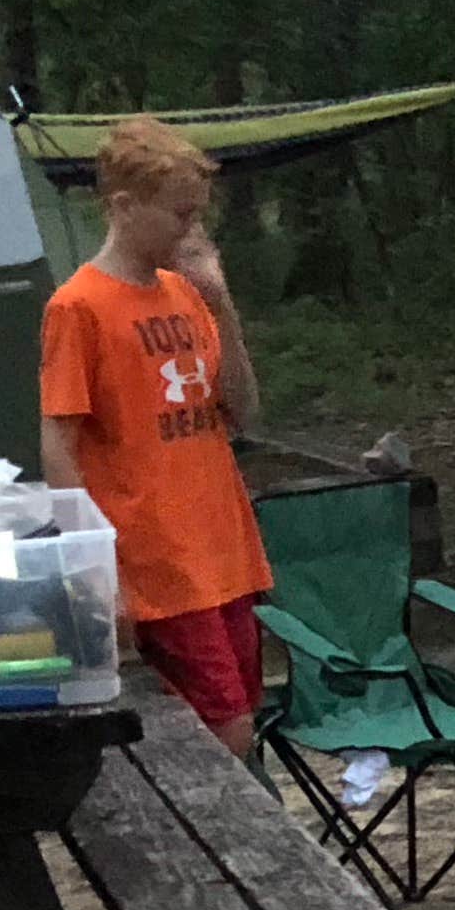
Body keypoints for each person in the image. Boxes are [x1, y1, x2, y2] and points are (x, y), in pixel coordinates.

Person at [39, 116, 270, 755]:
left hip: (223, 548)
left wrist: (221, 303)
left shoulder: (187, 293)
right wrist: (93, 570)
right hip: (159, 559)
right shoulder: (79, 306)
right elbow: (59, 443)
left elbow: (243, 410)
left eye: (199, 216)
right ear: (124, 206)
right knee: (228, 728)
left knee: (243, 710)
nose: (191, 232)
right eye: (179, 215)